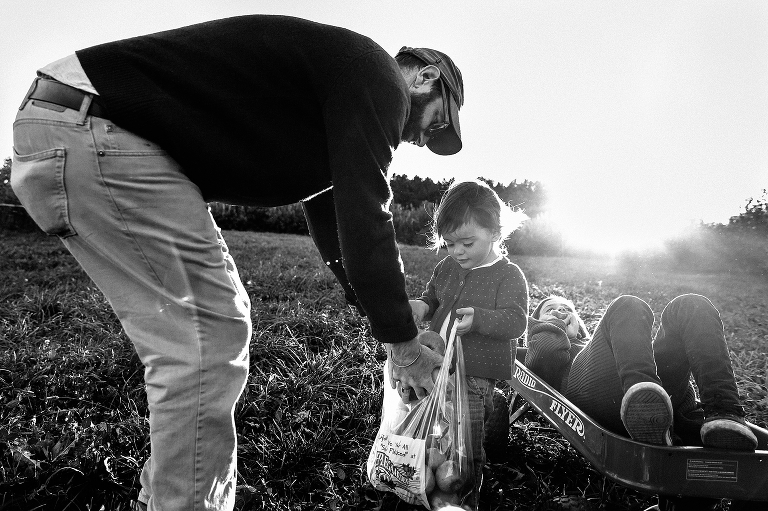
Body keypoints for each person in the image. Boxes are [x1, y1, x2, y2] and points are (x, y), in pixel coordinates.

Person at [10, 15, 465, 511]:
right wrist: (401, 342)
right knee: (209, 335)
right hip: (97, 129)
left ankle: (171, 495)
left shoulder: (337, 93)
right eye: (436, 122)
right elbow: (365, 212)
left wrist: (387, 312)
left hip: (73, 125)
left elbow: (335, 222)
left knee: (205, 334)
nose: (423, 140)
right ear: (423, 77)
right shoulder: (378, 76)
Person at [525, 294, 768, 510]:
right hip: (589, 389)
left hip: (644, 381)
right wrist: (551, 325)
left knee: (690, 305)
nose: (560, 311)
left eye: (567, 309)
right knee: (627, 304)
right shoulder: (550, 343)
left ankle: (723, 412)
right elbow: (542, 359)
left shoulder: (600, 342)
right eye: (550, 309)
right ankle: (640, 399)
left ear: (579, 325)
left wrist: (686, 411)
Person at [406, 180, 530, 504]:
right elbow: (433, 296)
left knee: (466, 442)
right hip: (435, 367)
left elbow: (516, 320)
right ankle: (430, 486)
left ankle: (465, 497)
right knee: (436, 430)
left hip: (475, 376)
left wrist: (482, 319)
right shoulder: (447, 266)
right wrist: (422, 306)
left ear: (495, 232)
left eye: (467, 243)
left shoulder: (508, 274)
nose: (457, 252)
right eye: (449, 244)